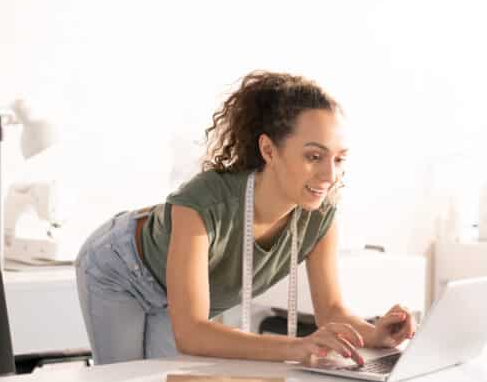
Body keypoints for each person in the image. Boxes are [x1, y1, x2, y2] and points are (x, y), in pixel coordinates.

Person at [74, 71, 415, 366]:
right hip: (121, 268)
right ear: (269, 150)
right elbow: (191, 331)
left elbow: (331, 310)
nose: (329, 174)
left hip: (177, 298)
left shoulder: (320, 215)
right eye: (314, 156)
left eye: (339, 159)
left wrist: (375, 335)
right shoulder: (203, 203)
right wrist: (297, 347)